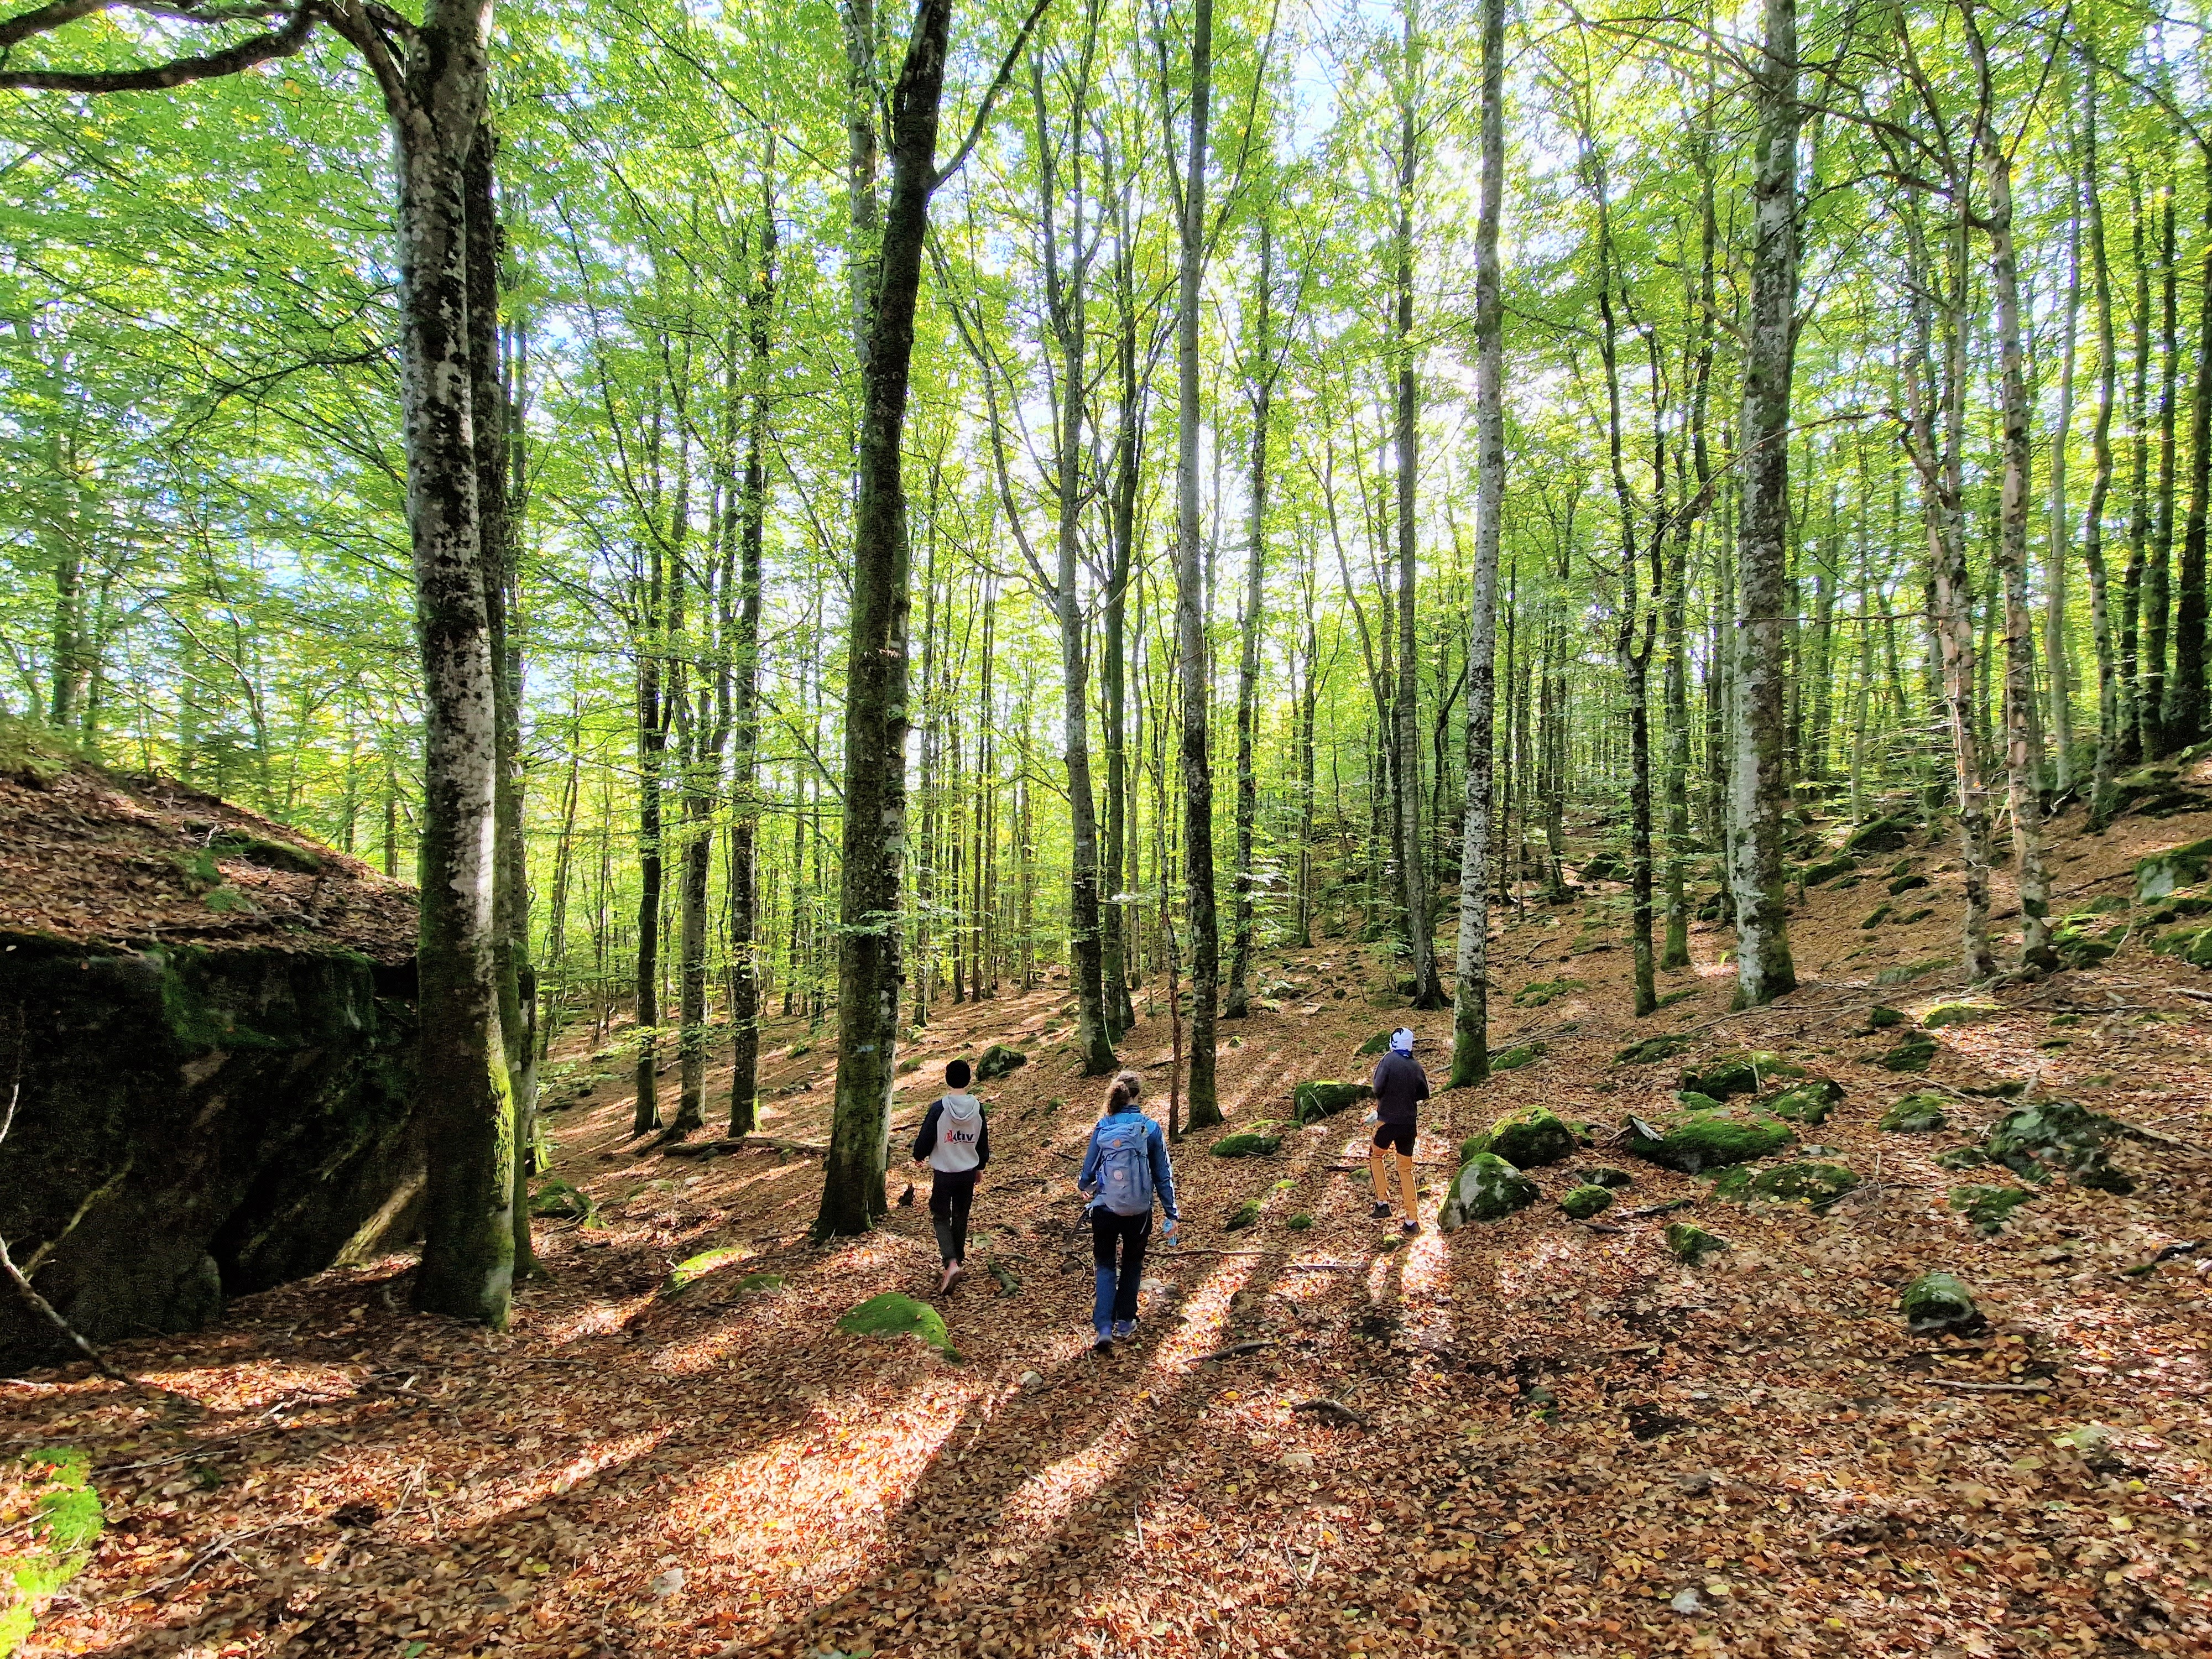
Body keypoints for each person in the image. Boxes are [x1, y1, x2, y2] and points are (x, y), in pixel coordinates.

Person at [1076, 1069, 1179, 1353]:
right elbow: (1163, 1174)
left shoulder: (1103, 1126)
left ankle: (1104, 1328)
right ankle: (1124, 1321)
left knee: (1106, 1265)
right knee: (1133, 1264)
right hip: (1139, 1211)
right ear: (1138, 1095)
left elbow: (1086, 1173)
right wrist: (1172, 1212)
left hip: (1105, 1209)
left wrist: (1086, 1186)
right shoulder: (1151, 1128)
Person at [912, 1058, 990, 1294]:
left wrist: (919, 1154)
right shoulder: (978, 1108)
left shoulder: (939, 1108)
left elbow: (926, 1136)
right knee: (961, 1216)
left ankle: (951, 1262)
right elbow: (982, 1140)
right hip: (967, 1172)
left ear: (947, 1079)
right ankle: (957, 1260)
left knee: (940, 1216)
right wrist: (980, 1166)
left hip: (944, 1173)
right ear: (969, 1079)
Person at [1369, 1027, 1429, 1235]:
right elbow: (1423, 1093)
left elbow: (1377, 1088)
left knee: (1376, 1156)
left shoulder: (1388, 1061)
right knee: (1405, 1168)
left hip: (1387, 1121)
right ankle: (1412, 1219)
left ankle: (1382, 1203)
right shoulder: (1416, 1066)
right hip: (1409, 1124)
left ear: (1393, 1042)